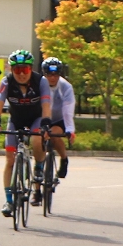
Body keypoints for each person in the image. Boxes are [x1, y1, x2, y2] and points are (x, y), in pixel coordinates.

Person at [0, 50, 51, 215]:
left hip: (36, 119)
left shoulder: (41, 82)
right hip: (15, 120)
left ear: (31, 69)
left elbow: (46, 106)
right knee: (9, 159)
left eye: (25, 70)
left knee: (37, 139)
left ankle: (38, 166)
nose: (22, 74)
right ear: (11, 70)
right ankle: (9, 201)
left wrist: (46, 124)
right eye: (17, 70)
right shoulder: (6, 82)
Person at [34, 57, 76, 187]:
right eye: (49, 74)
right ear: (44, 73)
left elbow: (68, 109)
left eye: (56, 74)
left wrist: (70, 129)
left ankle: (64, 159)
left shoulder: (65, 87)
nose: (52, 77)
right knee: (38, 143)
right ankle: (36, 189)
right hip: (41, 118)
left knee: (54, 135)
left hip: (59, 119)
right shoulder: (38, 84)